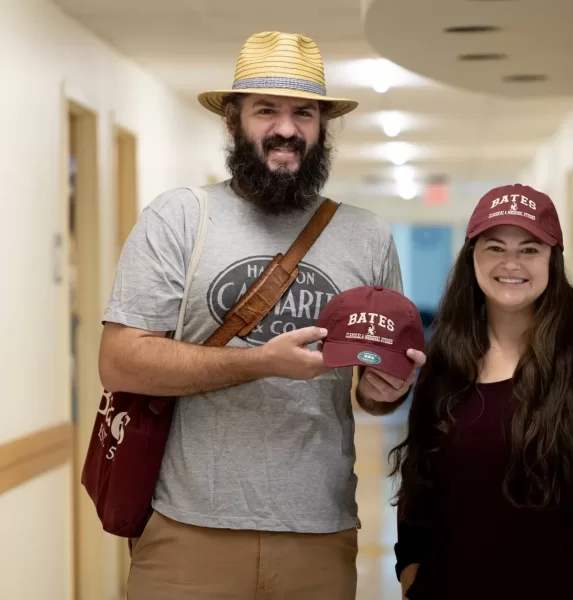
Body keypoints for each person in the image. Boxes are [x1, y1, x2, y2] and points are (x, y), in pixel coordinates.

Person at [98, 31, 425, 600]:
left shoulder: (367, 235)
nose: (286, 128)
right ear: (233, 120)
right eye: (266, 110)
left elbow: (375, 392)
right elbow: (120, 362)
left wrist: (387, 389)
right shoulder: (179, 218)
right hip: (186, 528)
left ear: (322, 127)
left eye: (304, 113)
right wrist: (259, 363)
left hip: (319, 530)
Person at [390, 184, 573, 600]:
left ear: (552, 260)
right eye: (494, 247)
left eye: (529, 249)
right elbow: (421, 472)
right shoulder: (450, 355)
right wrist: (410, 566)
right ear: (472, 256)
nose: (511, 263)